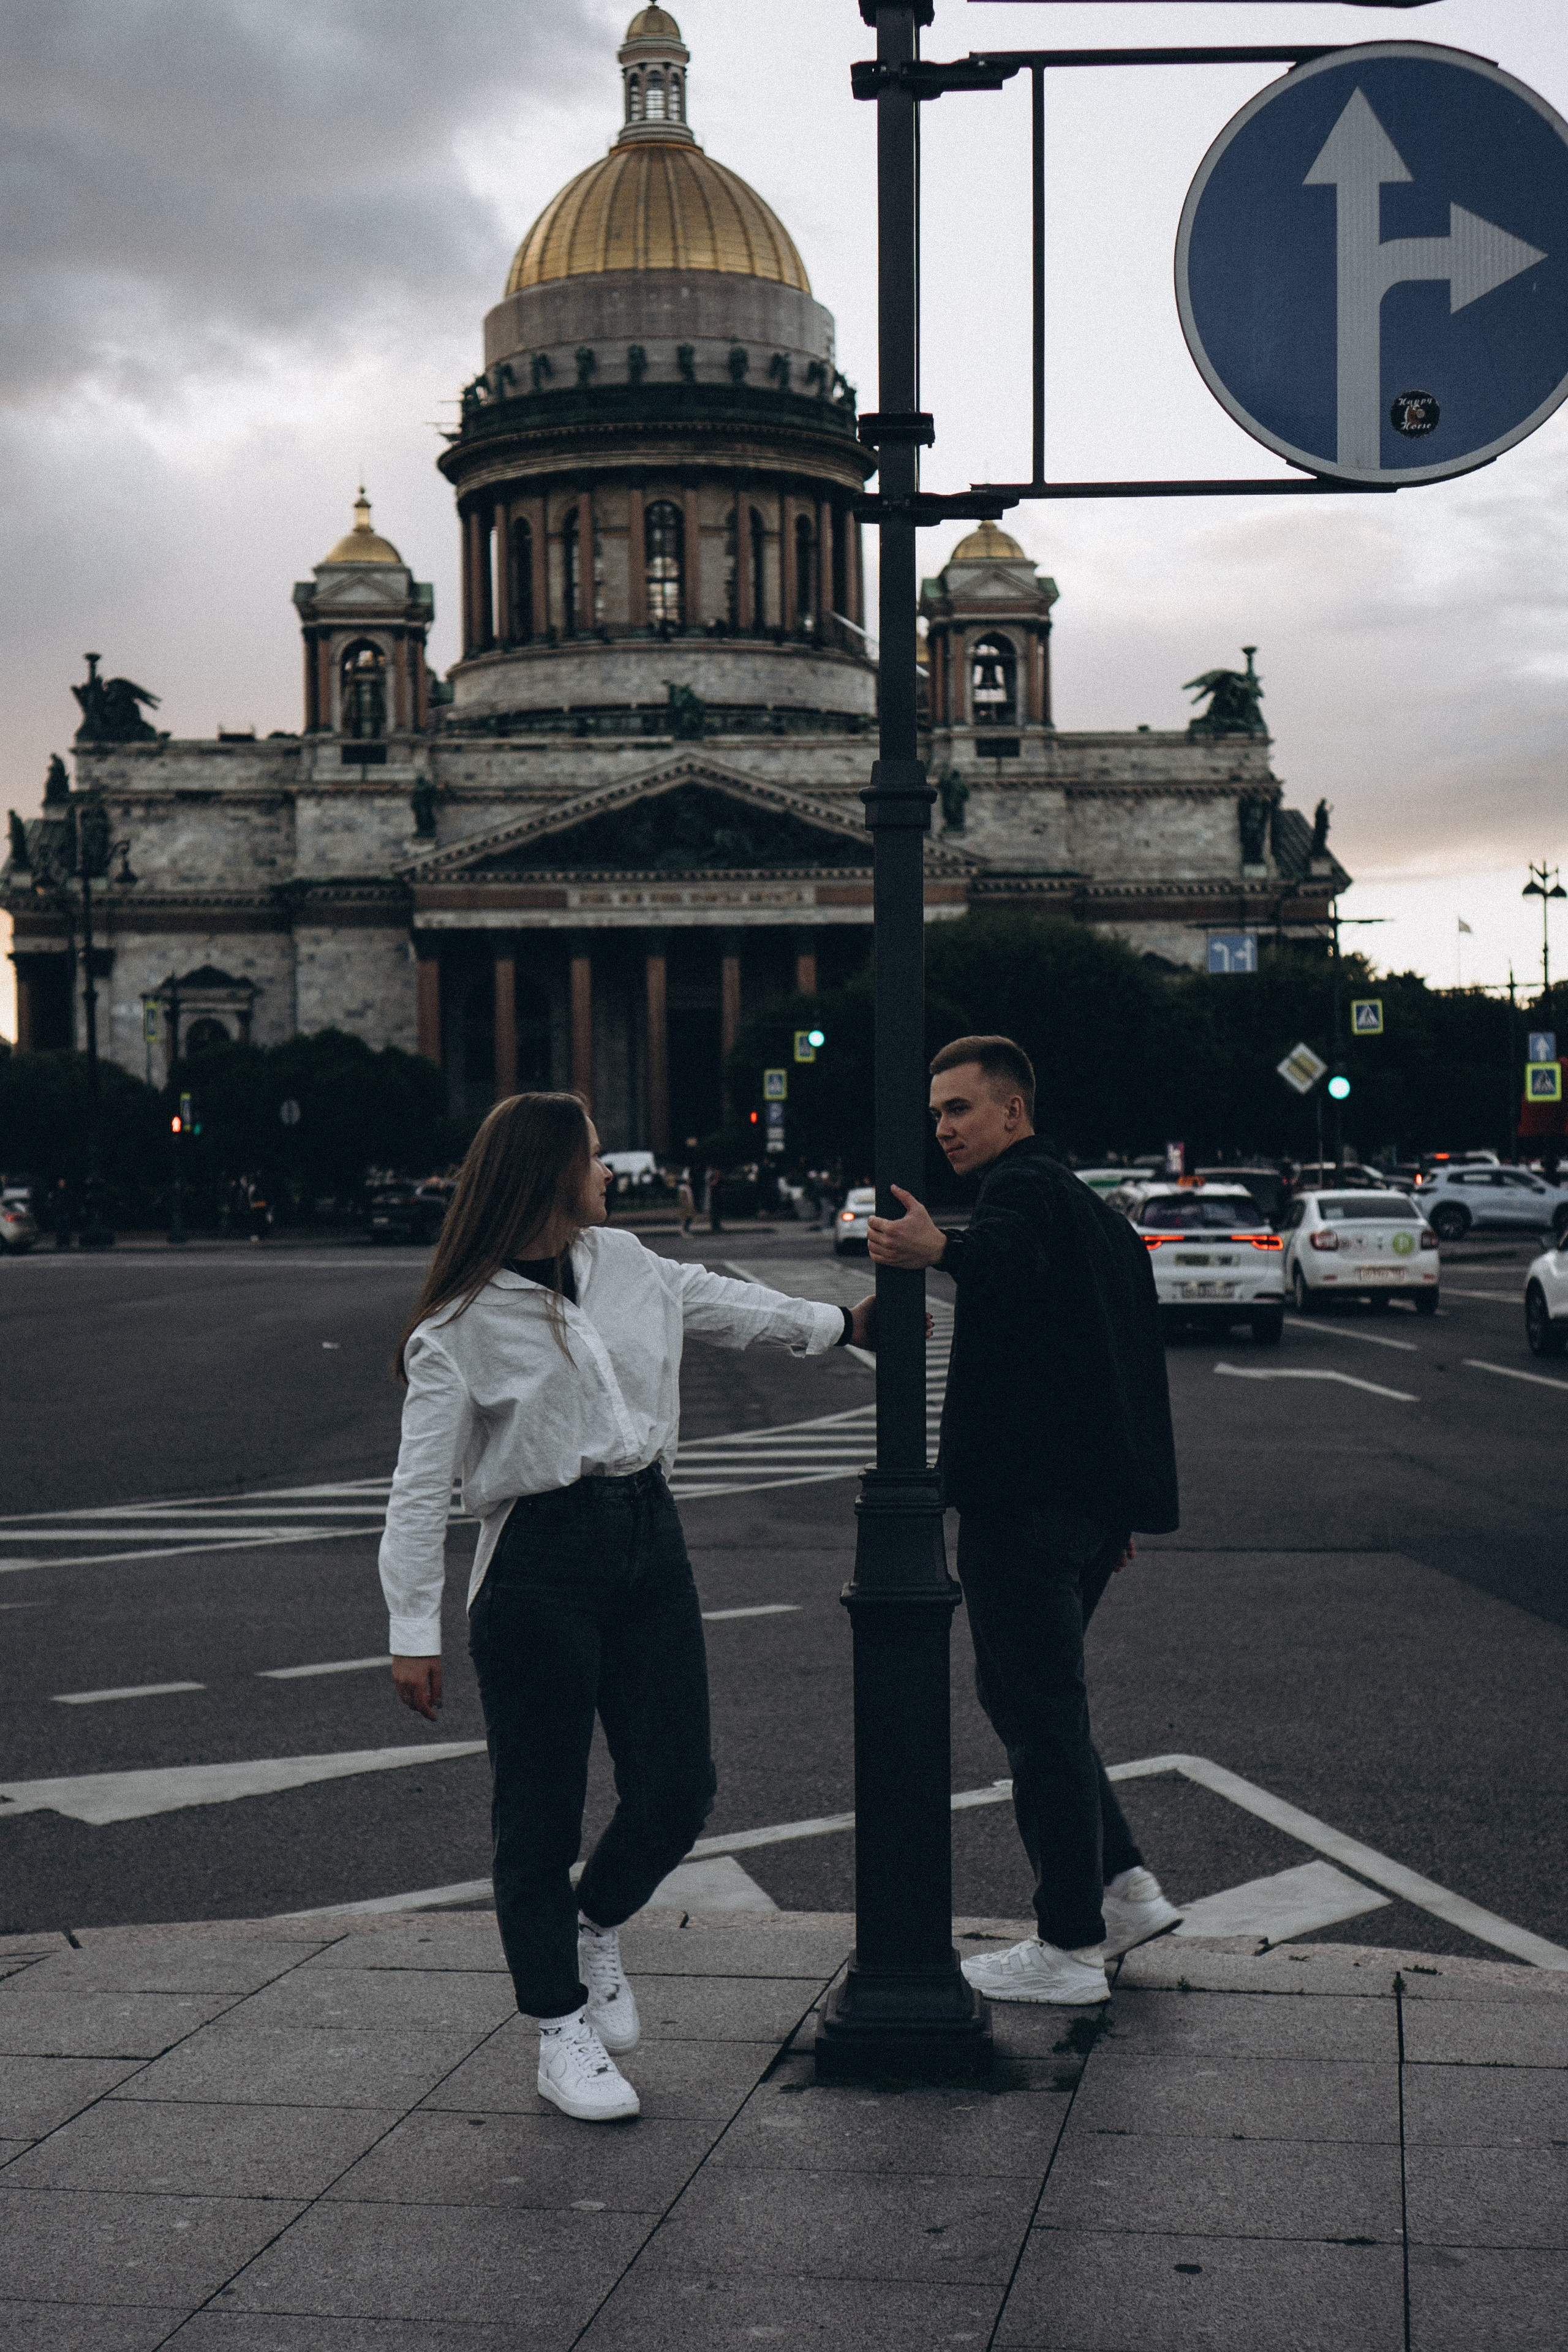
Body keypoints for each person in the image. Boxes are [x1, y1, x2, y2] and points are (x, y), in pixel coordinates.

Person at [379, 1091, 874, 2123]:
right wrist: (412, 1631)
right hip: (536, 1570)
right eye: (596, 1158)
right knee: (538, 1817)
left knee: (679, 1789)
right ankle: (560, 2030)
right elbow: (418, 1490)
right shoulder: (458, 1328)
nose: (610, 1173)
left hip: (652, 1540)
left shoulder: (628, 1264)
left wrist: (842, 1325)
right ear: (550, 1172)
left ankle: (592, 1925)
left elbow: (728, 1302)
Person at [868, 1035, 1182, 2007]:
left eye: (959, 1108)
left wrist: (941, 1249)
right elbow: (1114, 1359)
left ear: (1014, 1112)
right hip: (1084, 1505)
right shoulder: (1097, 1212)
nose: (943, 1128)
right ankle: (1122, 1884)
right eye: (934, 1113)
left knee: (1037, 1712)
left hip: (1024, 1504)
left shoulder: (1023, 1195)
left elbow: (1006, 1256)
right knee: (1029, 1699)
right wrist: (1121, 1501)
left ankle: (1069, 1947)